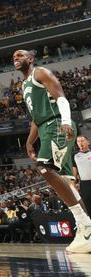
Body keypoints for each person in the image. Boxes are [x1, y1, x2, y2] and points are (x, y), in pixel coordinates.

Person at [14, 49, 91, 253]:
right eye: (13, 57)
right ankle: (85, 229)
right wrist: (30, 142)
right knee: (65, 182)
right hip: (46, 127)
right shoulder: (24, 85)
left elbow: (61, 98)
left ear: (30, 59)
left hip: (57, 124)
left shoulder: (40, 73)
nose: (15, 58)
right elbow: (36, 120)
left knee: (45, 169)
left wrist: (65, 121)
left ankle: (86, 225)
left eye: (20, 55)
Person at [73, 135, 91, 212]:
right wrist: (74, 185)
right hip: (84, 184)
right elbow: (74, 171)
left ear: (88, 142)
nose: (80, 143)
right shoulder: (75, 156)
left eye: (82, 141)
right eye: (78, 141)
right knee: (88, 206)